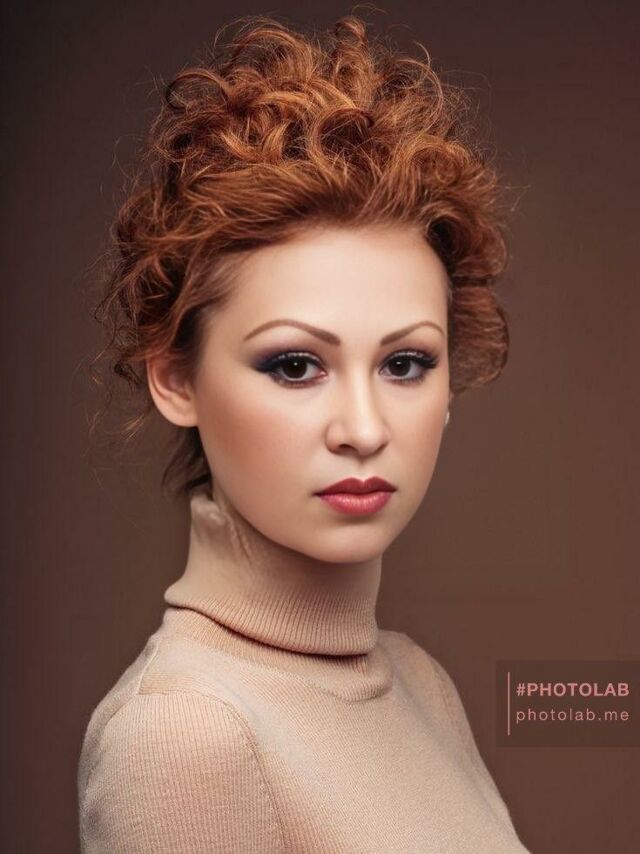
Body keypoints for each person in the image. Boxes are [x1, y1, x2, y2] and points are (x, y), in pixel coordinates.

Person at [77, 13, 530, 853]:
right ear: (176, 379)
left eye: (404, 364)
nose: (363, 428)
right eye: (294, 365)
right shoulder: (186, 737)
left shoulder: (421, 686)